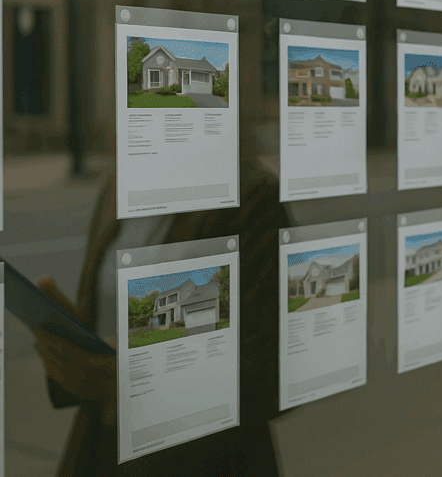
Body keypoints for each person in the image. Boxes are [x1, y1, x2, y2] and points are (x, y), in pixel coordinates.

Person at [32, 147, 289, 477]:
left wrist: (126, 384)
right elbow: (106, 316)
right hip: (105, 447)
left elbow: (266, 374)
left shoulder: (250, 195)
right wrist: (72, 348)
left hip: (205, 460)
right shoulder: (119, 184)